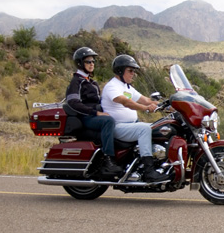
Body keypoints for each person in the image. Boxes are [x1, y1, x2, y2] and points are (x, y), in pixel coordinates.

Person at [101, 54, 169, 182]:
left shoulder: (127, 87)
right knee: (144, 129)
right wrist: (145, 108)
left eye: (134, 71)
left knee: (159, 127)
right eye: (130, 71)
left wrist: (168, 106)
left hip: (130, 125)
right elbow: (126, 102)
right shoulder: (112, 86)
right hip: (117, 127)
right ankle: (149, 171)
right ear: (120, 71)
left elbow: (145, 100)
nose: (133, 74)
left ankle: (158, 162)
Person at [66, 47, 122, 174]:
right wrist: (95, 113)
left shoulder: (92, 82)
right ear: (80, 63)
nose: (92, 64)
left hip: (94, 116)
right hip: (85, 118)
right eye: (88, 62)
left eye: (93, 61)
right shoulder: (77, 81)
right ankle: (109, 160)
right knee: (108, 121)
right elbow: (73, 102)